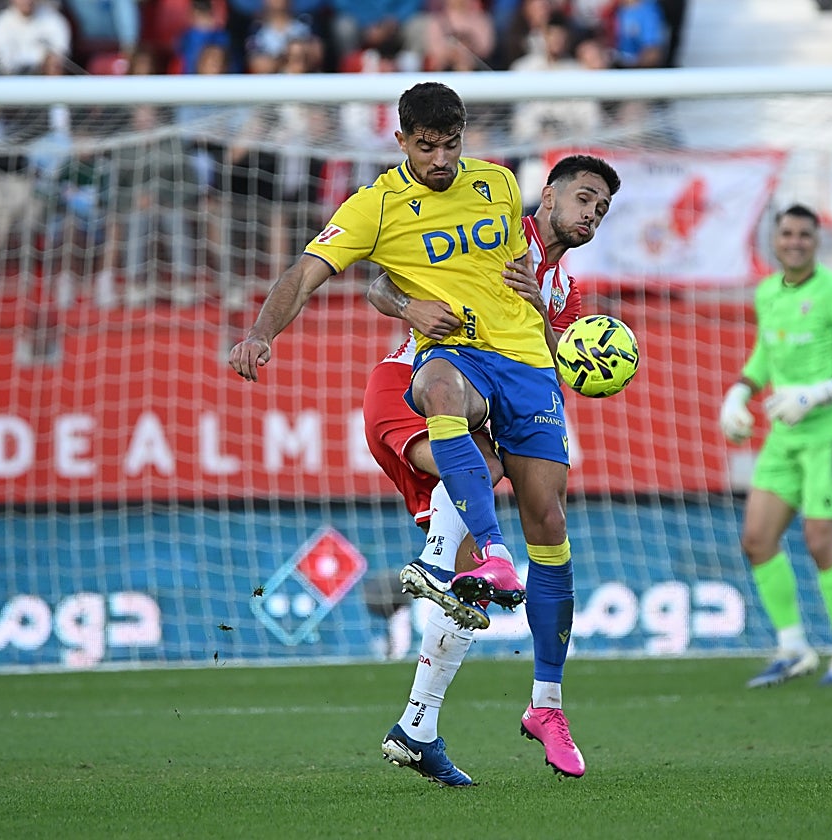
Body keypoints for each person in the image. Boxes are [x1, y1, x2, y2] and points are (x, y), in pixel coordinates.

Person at [229, 82, 583, 785]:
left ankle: (427, 721)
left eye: (453, 144)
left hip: (518, 375)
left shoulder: (500, 187)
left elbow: (519, 276)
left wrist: (551, 311)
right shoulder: (377, 204)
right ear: (401, 140)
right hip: (423, 382)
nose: (443, 159)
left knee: (527, 529)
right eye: (428, 146)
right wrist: (262, 333)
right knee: (461, 437)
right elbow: (324, 275)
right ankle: (467, 558)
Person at [363, 153, 620, 781]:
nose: (592, 214)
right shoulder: (495, 224)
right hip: (413, 387)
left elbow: (553, 369)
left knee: (499, 562)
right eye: (584, 198)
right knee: (479, 460)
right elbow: (381, 282)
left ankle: (419, 725)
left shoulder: (566, 292)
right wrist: (407, 309)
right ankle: (436, 562)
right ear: (548, 195)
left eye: (603, 209)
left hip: (481, 409)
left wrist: (550, 325)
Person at [719, 203, 832, 689]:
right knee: (756, 539)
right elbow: (764, 354)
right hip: (784, 434)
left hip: (831, 432)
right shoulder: (768, 291)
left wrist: (816, 393)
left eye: (804, 235)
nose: (795, 241)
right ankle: (793, 648)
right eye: (787, 233)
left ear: (816, 242)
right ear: (775, 240)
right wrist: (740, 390)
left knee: (819, 540)